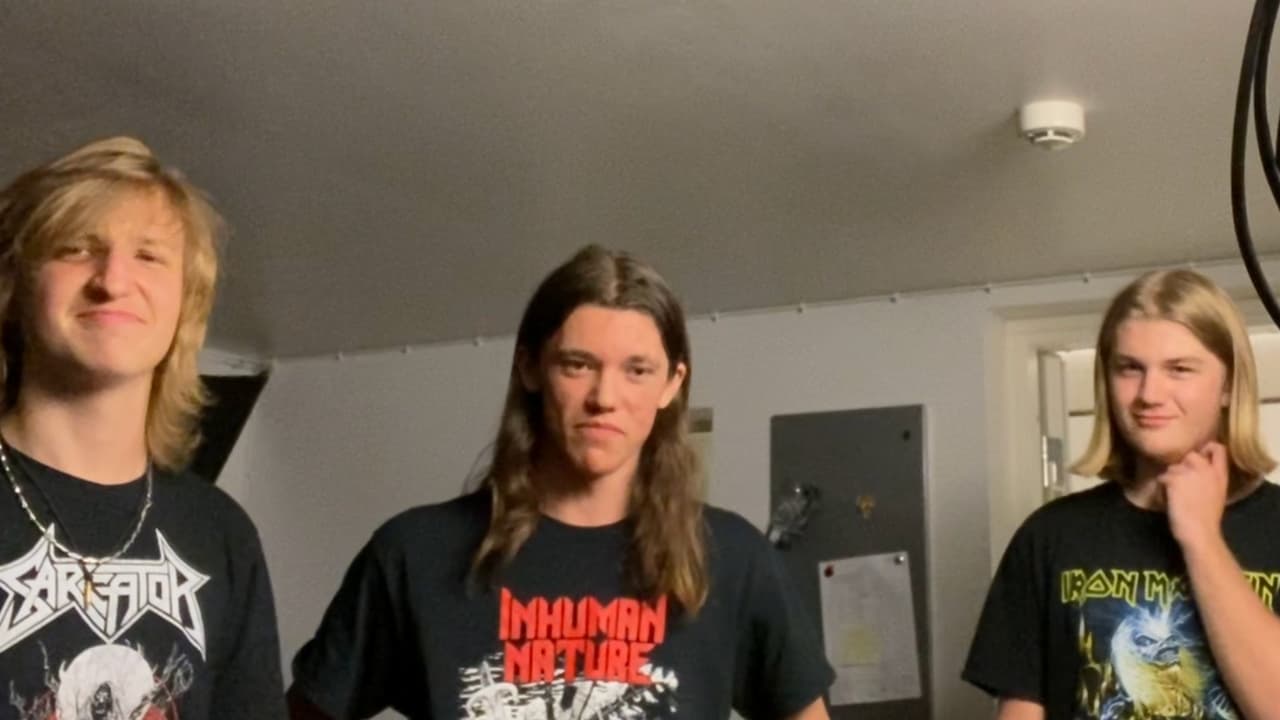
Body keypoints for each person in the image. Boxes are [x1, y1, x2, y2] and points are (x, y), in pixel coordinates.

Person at [289, 244, 833, 719]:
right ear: (530, 368)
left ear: (672, 383)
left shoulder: (731, 558)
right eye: (577, 364)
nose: (604, 397)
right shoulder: (415, 555)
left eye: (637, 370)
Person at [0, 137, 286, 718]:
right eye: (76, 248)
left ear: (185, 305)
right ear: (16, 290)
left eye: (149, 256)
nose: (112, 280)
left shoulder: (220, 533)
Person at [964, 269, 1280, 719]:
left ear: (1228, 385)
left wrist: (1202, 537)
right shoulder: (1051, 536)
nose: (1150, 394)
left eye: (1179, 369)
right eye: (1130, 368)